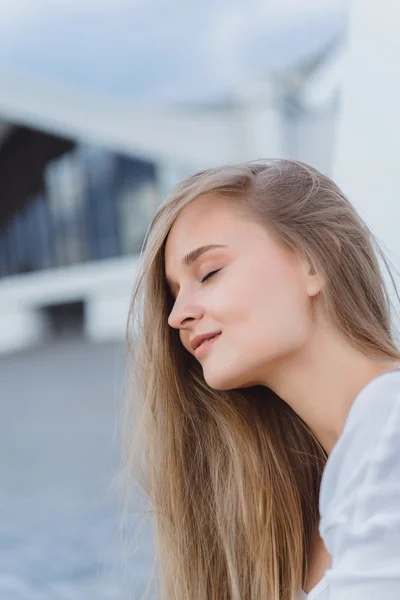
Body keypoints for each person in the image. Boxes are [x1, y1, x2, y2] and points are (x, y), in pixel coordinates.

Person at [124, 159, 400, 599]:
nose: (178, 316)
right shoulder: (309, 495)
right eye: (175, 294)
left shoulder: (390, 428)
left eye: (209, 273)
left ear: (317, 261)